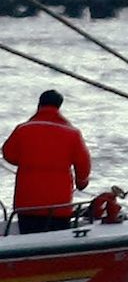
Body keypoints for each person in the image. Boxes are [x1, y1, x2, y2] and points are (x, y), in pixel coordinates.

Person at [2, 90, 91, 233]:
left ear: (39, 104)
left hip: (26, 202)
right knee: (58, 238)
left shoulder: (23, 129)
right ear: (59, 107)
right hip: (59, 205)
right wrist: (82, 183)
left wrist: (28, 161)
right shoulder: (73, 134)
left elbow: (8, 154)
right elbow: (83, 164)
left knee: (28, 239)